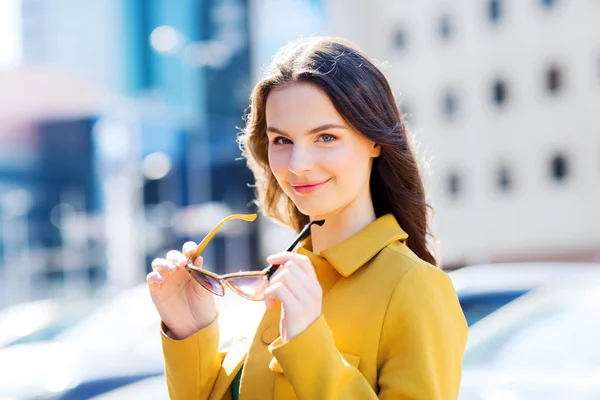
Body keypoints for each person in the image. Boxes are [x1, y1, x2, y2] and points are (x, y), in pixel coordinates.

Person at [147, 36, 468, 400]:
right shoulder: (285, 278)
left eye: (326, 137)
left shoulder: (414, 288)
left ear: (374, 140)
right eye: (282, 141)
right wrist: (190, 330)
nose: (298, 165)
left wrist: (308, 343)